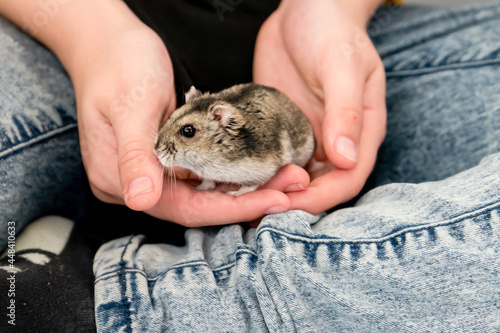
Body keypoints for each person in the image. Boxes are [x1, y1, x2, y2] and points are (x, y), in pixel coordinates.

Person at [0, 0, 499, 331]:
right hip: (70, 39)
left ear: (222, 122)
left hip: (372, 35)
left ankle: (91, 304)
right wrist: (94, 40)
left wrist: (332, 8)